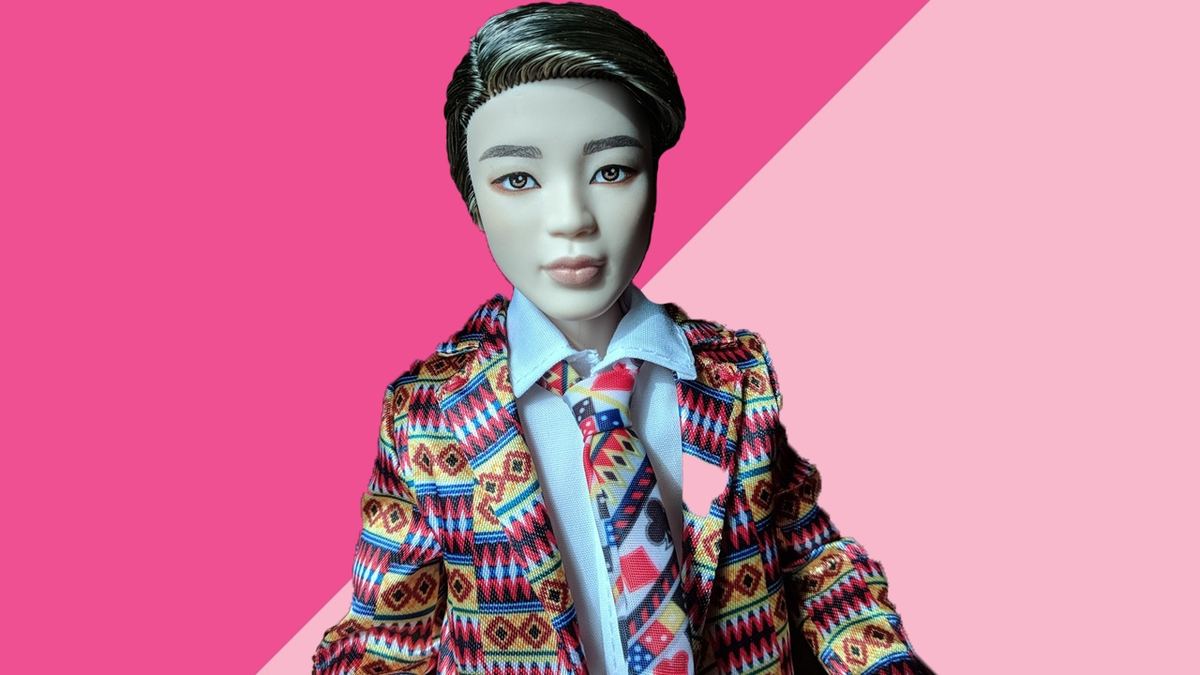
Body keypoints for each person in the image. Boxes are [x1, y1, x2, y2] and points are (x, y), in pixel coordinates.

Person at [314, 4, 932, 674]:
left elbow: (815, 564)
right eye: (517, 179)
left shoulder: (735, 378)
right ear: (472, 199)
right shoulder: (429, 415)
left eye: (611, 170)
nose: (571, 218)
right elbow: (383, 643)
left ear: (655, 177)